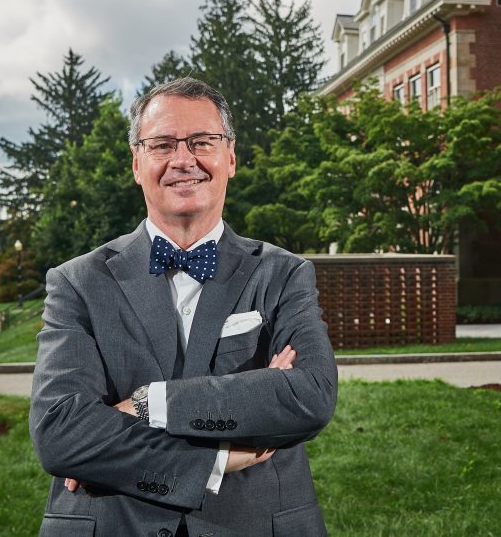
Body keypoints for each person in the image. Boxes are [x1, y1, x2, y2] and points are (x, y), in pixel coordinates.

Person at [29, 78, 338, 537]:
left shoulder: (284, 273)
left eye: (202, 142)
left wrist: (144, 405)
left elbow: (308, 396)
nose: (183, 159)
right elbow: (61, 434)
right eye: (162, 144)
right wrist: (214, 459)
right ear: (137, 163)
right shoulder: (76, 282)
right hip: (113, 523)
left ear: (230, 157)